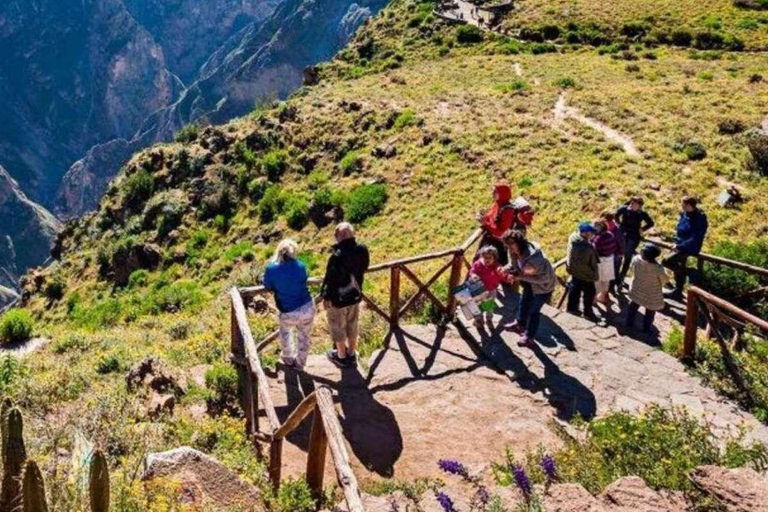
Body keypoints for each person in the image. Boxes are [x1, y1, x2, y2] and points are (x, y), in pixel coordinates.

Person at [321, 222, 370, 368]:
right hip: (355, 295)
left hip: (338, 299)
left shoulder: (337, 256)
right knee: (352, 324)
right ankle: (351, 353)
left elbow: (330, 279)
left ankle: (341, 357)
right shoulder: (362, 249)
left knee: (338, 326)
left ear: (339, 236)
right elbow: (365, 266)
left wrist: (326, 297)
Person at [263, 239, 316, 371]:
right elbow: (304, 279)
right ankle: (300, 364)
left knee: (285, 333)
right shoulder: (300, 265)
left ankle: (288, 359)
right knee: (304, 336)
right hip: (307, 305)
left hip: (288, 310)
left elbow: (267, 285)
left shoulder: (271, 268)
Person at [502, 231, 556, 347]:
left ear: (519, 242)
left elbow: (544, 279)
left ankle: (529, 336)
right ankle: (520, 324)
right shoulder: (514, 251)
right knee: (524, 302)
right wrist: (506, 268)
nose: (509, 247)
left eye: (511, 244)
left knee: (533, 311)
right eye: (506, 244)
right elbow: (515, 265)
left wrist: (519, 276)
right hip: (529, 284)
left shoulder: (535, 258)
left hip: (542, 288)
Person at [663, 196, 709, 300]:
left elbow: (696, 237)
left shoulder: (699, 218)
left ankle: (690, 272)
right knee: (678, 267)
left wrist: (680, 246)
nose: (681, 206)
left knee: (666, 261)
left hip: (689, 247)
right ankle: (677, 291)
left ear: (689, 205)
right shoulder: (684, 214)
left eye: (683, 205)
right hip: (679, 244)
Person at [627, 244, 667, 333]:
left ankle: (629, 323)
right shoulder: (658, 268)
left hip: (637, 287)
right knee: (650, 311)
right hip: (652, 293)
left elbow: (631, 269)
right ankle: (646, 328)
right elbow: (664, 280)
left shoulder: (636, 259)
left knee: (633, 306)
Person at [468, 245, 510, 326]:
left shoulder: (497, 267)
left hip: (491, 290)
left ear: (494, 257)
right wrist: (473, 275)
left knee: (489, 307)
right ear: (482, 256)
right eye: (485, 257)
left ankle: (489, 319)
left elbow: (504, 275)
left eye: (489, 257)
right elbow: (472, 271)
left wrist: (508, 278)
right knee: (478, 305)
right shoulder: (478, 264)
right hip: (479, 289)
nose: (487, 260)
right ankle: (479, 319)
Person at [615, 197, 655, 281]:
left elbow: (650, 223)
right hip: (623, 234)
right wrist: (619, 224)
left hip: (633, 236)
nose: (632, 205)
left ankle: (622, 275)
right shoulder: (624, 209)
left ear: (639, 206)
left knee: (628, 256)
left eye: (634, 204)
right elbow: (616, 215)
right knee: (619, 254)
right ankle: (615, 274)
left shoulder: (642, 213)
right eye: (632, 203)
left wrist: (642, 229)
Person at [566, 222, 599, 321]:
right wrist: (594, 275)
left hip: (574, 271)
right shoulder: (588, 247)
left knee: (574, 290)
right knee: (590, 293)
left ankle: (572, 309)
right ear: (585, 233)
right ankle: (588, 313)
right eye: (591, 232)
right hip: (586, 275)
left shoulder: (573, 238)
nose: (593, 235)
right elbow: (593, 262)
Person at [477, 183, 516, 266]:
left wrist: (485, 224)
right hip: (490, 239)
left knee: (495, 268)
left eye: (495, 191)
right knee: (479, 264)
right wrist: (483, 218)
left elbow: (502, 232)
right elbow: (491, 216)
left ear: (502, 193)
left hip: (498, 244)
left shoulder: (508, 211)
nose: (493, 193)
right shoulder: (497, 204)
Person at [592, 220, 618, 304]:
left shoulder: (598, 239)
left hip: (600, 261)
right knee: (606, 280)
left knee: (597, 281)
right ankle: (603, 296)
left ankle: (594, 299)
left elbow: (594, 250)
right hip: (609, 259)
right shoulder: (611, 234)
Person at [600, 211, 625, 294]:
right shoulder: (617, 228)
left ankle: (610, 289)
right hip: (617, 255)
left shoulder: (608, 229)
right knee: (615, 272)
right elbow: (621, 243)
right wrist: (621, 253)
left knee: (610, 273)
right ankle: (615, 286)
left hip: (611, 255)